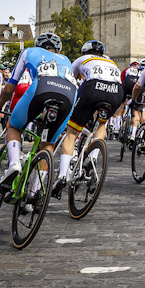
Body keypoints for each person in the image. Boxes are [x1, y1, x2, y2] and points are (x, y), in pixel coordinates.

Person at [0, 32, 77, 201]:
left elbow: (9, 88)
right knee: (48, 145)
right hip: (69, 95)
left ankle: (14, 164)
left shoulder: (29, 51)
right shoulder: (66, 59)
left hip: (42, 87)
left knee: (14, 127)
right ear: (58, 49)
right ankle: (33, 194)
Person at [56, 40, 124, 197]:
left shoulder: (82, 60)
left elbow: (69, 81)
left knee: (72, 133)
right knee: (102, 124)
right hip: (115, 91)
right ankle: (93, 158)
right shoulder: (111, 62)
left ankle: (62, 176)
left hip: (93, 88)